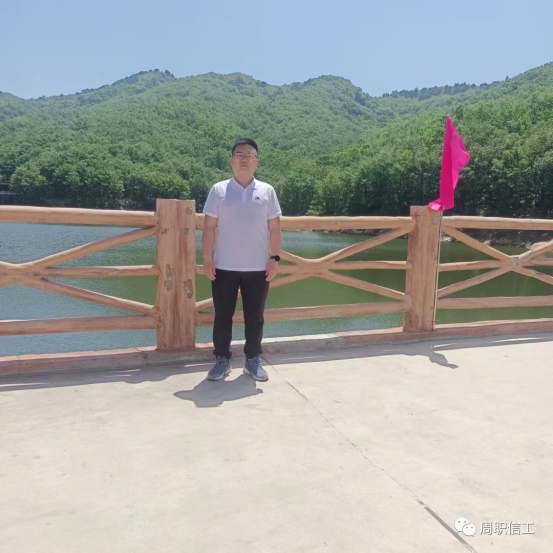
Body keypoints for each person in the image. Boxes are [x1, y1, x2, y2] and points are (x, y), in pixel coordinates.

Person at [202, 138, 282, 382]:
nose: (244, 159)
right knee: (222, 316)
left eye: (250, 155)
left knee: (255, 316)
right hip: (223, 266)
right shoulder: (218, 190)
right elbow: (208, 227)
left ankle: (253, 360)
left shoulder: (267, 191)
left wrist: (275, 258)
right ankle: (222, 359)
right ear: (231, 160)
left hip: (258, 268)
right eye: (240, 155)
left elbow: (275, 228)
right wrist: (207, 258)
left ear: (257, 162)